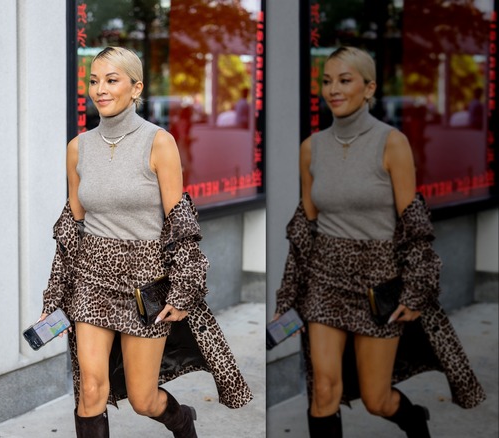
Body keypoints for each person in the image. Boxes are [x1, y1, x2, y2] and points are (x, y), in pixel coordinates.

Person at [40, 46, 252, 438]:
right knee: (91, 390)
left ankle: (181, 419)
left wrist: (184, 289)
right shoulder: (77, 148)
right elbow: (72, 229)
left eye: (111, 79)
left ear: (136, 88)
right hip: (92, 275)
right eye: (93, 80)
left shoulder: (159, 142)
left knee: (142, 398)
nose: (100, 89)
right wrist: (54, 299)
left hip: (144, 282)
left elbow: (179, 223)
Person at [274, 46, 485, 437]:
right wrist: (288, 299)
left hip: (378, 283)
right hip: (324, 278)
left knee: (376, 398)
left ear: (369, 88)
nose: (333, 89)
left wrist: (416, 289)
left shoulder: (392, 143)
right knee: (323, 391)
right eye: (326, 81)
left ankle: (413, 420)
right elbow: (304, 231)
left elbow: (414, 225)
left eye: (345, 80)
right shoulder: (311, 148)